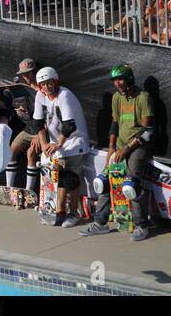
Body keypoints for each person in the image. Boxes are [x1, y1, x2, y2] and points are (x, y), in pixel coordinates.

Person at [80, 64, 155, 241]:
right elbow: (115, 123)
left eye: (120, 79)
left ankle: (142, 225)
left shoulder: (143, 97)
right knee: (103, 182)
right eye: (115, 80)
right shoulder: (116, 98)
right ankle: (100, 223)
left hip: (139, 146)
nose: (118, 83)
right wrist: (112, 147)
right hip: (120, 146)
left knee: (131, 185)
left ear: (129, 79)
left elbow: (148, 131)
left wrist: (127, 149)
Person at [33, 67, 90, 227]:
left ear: (55, 81)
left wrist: (58, 144)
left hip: (74, 142)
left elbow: (69, 126)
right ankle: (58, 211)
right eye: (42, 84)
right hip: (54, 144)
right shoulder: (39, 95)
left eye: (48, 83)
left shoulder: (65, 95)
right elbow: (38, 123)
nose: (46, 87)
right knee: (55, 177)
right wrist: (44, 144)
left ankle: (74, 213)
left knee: (69, 178)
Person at [6, 58, 42, 190]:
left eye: (28, 73)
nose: (25, 76)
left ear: (34, 72)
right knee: (11, 151)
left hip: (43, 131)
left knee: (31, 152)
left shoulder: (43, 89)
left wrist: (40, 135)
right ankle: (9, 189)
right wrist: (20, 112)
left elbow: (51, 117)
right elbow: (26, 112)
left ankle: (28, 191)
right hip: (29, 129)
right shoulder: (22, 89)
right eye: (23, 74)